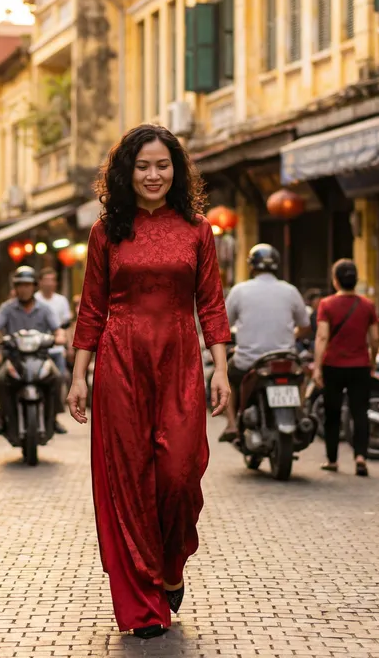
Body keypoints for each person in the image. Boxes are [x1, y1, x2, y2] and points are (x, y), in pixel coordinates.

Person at [66, 124, 231, 640]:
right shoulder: (106, 230)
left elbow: (211, 303)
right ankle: (144, 604)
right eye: (142, 166)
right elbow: (92, 306)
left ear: (176, 171)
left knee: (180, 475)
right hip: (120, 363)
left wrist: (220, 366)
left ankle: (170, 564)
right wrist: (78, 375)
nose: (153, 175)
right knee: (129, 479)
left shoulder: (197, 229)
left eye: (163, 165)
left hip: (180, 360)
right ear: (126, 173)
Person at [219, 244, 311, 442]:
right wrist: (292, 336)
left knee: (226, 374)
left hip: (249, 362)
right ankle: (300, 411)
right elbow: (305, 326)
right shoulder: (291, 291)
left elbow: (224, 324)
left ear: (252, 266)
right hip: (285, 360)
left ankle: (232, 425)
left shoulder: (239, 290)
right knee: (301, 376)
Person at [313, 259, 379, 476]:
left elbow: (322, 336)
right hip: (360, 366)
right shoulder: (368, 305)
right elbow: (375, 338)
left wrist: (316, 367)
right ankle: (360, 457)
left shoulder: (326, 304)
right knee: (360, 413)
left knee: (332, 414)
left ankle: (332, 460)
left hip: (333, 366)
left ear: (335, 280)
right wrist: (373, 359)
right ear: (355, 279)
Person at [0, 266, 66, 436]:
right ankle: (3, 417)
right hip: (14, 359)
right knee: (1, 381)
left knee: (57, 378)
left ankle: (53, 417)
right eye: (20, 285)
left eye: (28, 285)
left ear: (34, 287)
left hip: (40, 359)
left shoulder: (45, 309)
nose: (24, 289)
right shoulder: (7, 308)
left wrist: (60, 337)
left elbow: (57, 329)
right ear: (15, 287)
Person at [35, 267, 73, 433]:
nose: (50, 283)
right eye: (47, 279)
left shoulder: (61, 301)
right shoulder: (34, 299)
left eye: (53, 279)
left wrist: (68, 345)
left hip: (56, 350)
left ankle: (55, 417)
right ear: (40, 282)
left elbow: (65, 326)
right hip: (36, 350)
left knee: (59, 380)